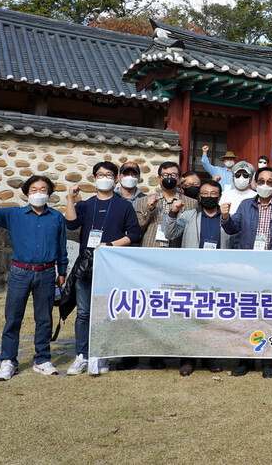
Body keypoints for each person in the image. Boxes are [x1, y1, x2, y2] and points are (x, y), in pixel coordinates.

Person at [0, 173, 67, 381]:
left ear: (50, 194)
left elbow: (62, 247)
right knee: (13, 317)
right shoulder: (13, 215)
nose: (38, 193)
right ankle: (8, 360)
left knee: (44, 318)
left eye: (43, 189)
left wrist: (61, 271)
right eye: (34, 190)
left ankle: (42, 359)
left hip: (46, 272)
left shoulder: (56, 217)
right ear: (26, 193)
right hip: (20, 272)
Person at [64, 161, 141, 376]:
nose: (104, 178)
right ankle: (82, 354)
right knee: (84, 311)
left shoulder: (124, 206)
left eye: (108, 175)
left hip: (111, 266)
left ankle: (103, 353)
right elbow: (71, 224)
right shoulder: (86, 205)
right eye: (99, 174)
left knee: (107, 311)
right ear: (94, 178)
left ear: (116, 179)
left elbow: (134, 234)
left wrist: (110, 245)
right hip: (86, 265)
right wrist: (70, 199)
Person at [122, 161, 197, 371]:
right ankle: (150, 352)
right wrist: (148, 210)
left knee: (175, 308)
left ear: (180, 179)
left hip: (177, 257)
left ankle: (171, 351)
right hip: (150, 256)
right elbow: (136, 230)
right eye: (165, 174)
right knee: (150, 306)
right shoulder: (144, 201)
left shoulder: (191, 203)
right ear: (159, 178)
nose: (169, 177)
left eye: (173, 174)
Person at [221, 166, 272, 378]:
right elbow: (233, 229)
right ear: (255, 182)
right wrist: (225, 217)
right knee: (247, 314)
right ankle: (245, 359)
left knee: (271, 315)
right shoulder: (245, 205)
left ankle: (269, 361)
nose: (264, 185)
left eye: (269, 182)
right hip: (248, 267)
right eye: (261, 180)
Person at [159, 179, 230, 376]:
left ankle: (210, 356)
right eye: (205, 193)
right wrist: (173, 213)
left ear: (219, 196)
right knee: (189, 317)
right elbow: (169, 232)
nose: (209, 197)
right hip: (191, 273)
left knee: (212, 317)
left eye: (213, 193)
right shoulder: (189, 215)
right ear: (199, 196)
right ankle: (187, 358)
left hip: (217, 274)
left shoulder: (226, 218)